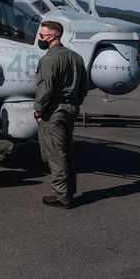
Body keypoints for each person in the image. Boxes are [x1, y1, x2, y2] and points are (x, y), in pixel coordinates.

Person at [34, 20, 88, 209]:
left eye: (42, 35)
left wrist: (39, 110)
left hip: (54, 112)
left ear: (53, 36)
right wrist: (75, 102)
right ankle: (69, 191)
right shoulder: (76, 57)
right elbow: (83, 87)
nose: (40, 38)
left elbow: (46, 89)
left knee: (56, 154)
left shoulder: (49, 59)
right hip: (70, 110)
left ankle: (61, 196)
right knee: (67, 152)